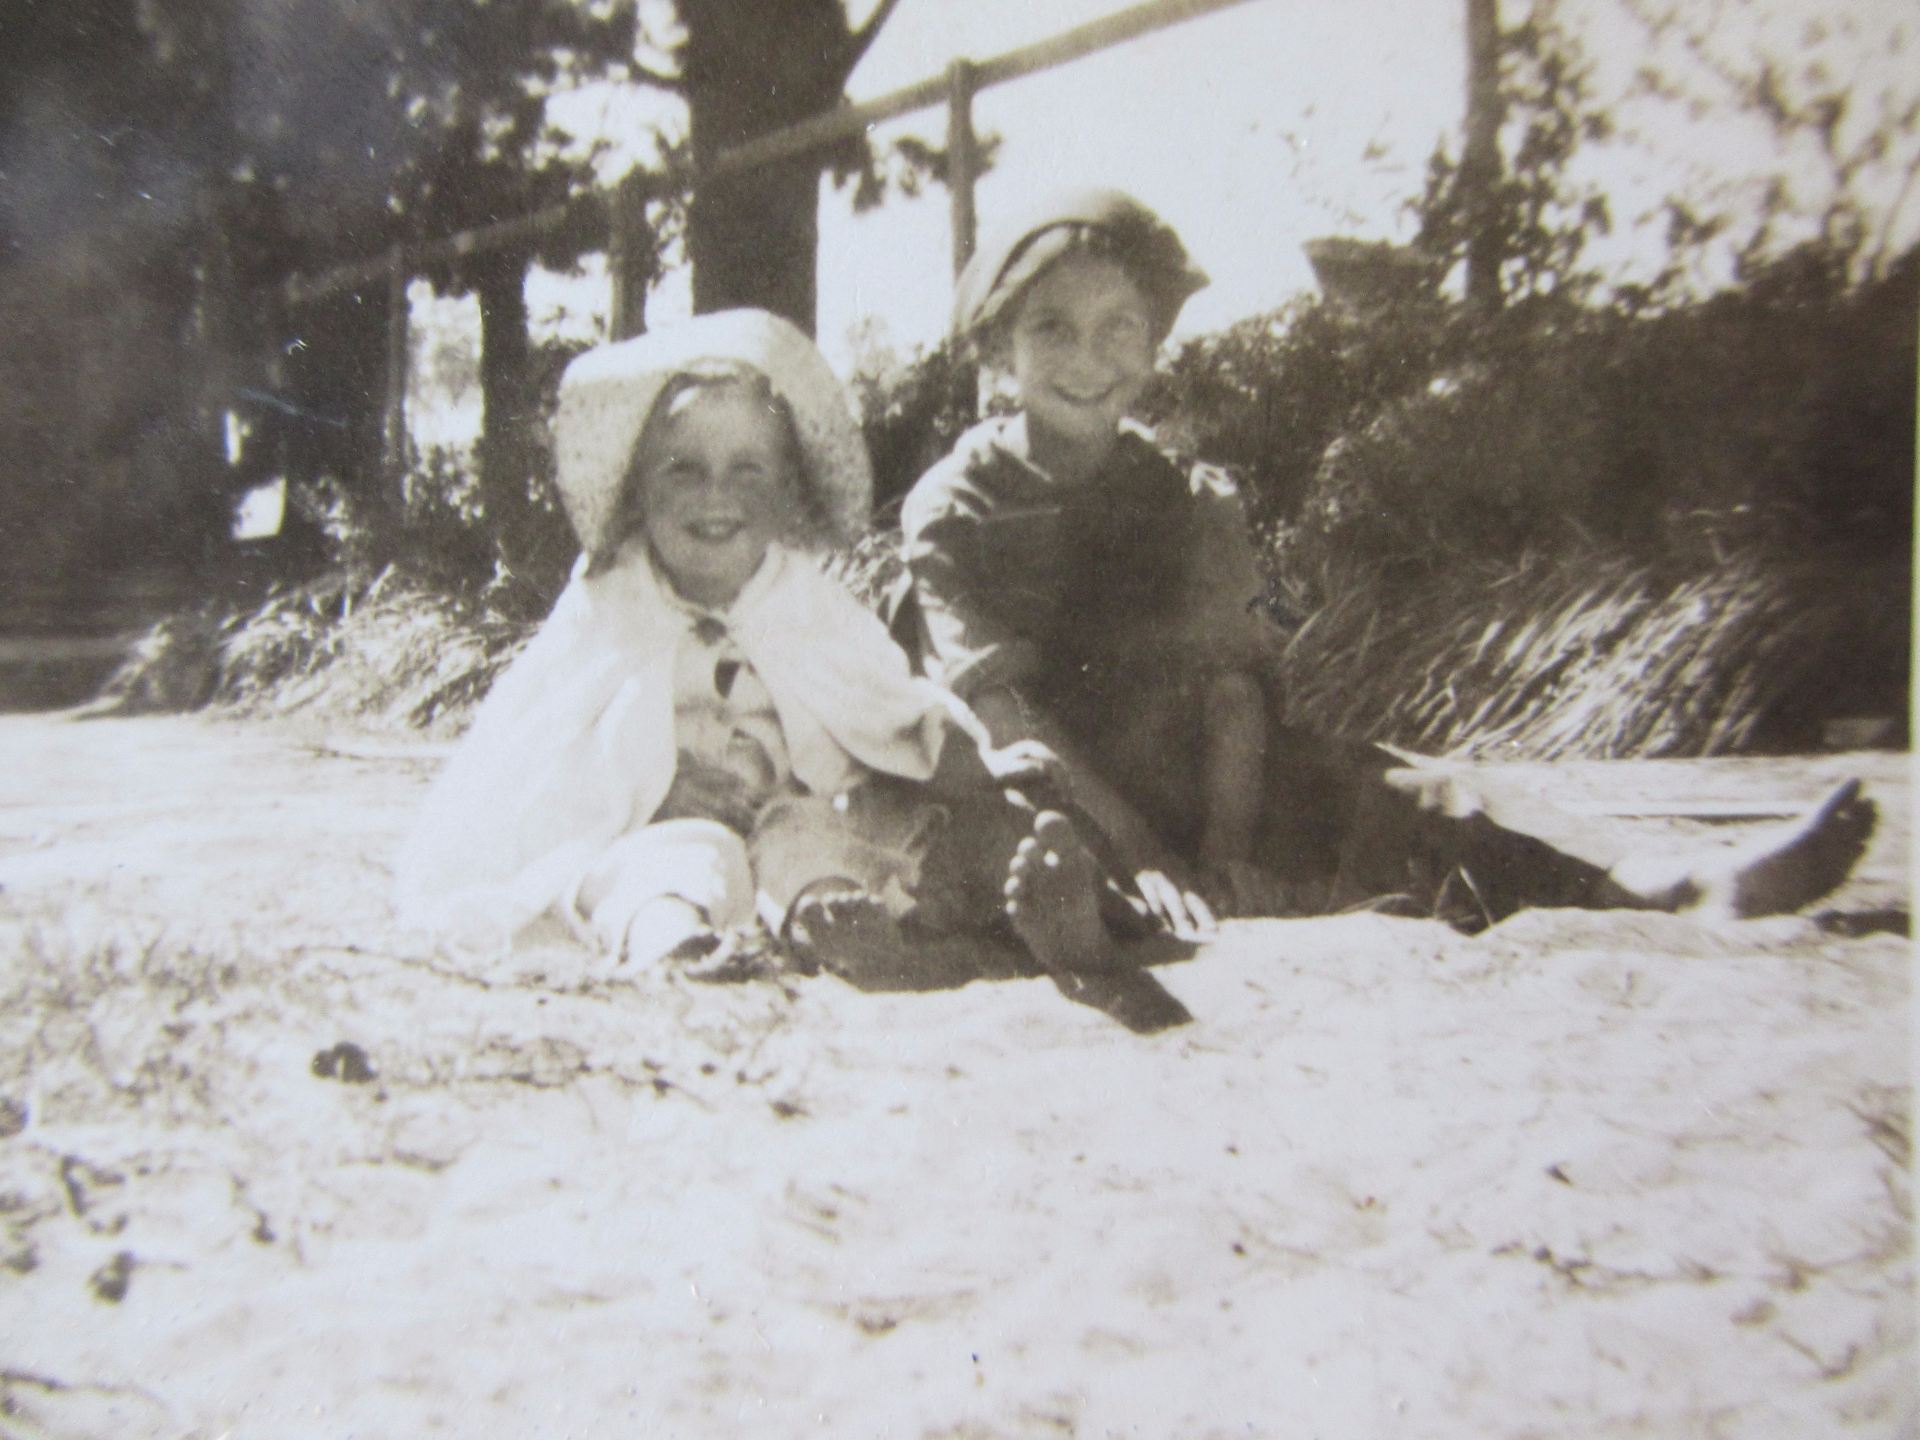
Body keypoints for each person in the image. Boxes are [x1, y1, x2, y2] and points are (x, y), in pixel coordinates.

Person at [893, 187, 1877, 935]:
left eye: (1119, 328)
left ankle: (1664, 886)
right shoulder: (953, 506)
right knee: (994, 825)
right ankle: (1083, 915)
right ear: (998, 349)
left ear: (1154, 346)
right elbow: (1005, 714)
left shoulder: (1188, 496)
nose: (1087, 358)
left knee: (1402, 789)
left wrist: (1224, 851)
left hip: (1196, 778)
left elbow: (1234, 688)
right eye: (1051, 328)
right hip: (1054, 781)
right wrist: (1145, 853)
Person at [395, 309, 1189, 1031]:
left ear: (783, 496)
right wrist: (648, 786)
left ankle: (969, 923)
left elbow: (883, 704)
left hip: (795, 810)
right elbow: (546, 740)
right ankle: (681, 950)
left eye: (747, 470)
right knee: (665, 870)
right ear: (638, 492)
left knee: (830, 845)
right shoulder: (611, 602)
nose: (716, 496)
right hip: (663, 822)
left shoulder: (801, 601)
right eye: (682, 469)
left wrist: (977, 765)